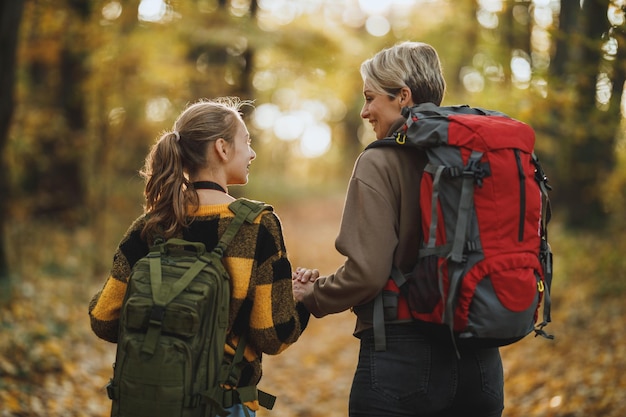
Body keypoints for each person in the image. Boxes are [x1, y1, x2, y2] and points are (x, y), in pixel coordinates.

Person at [292, 42, 504, 417]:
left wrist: (313, 294)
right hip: (481, 360)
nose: (364, 111)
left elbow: (367, 274)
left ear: (403, 96)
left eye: (370, 98)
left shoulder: (381, 160)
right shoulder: (480, 156)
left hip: (404, 359)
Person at [89, 97, 310, 417]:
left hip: (148, 403)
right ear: (222, 148)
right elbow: (271, 335)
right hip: (223, 405)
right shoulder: (257, 226)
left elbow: (103, 319)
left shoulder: (151, 226)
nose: (252, 152)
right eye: (246, 141)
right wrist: (304, 301)